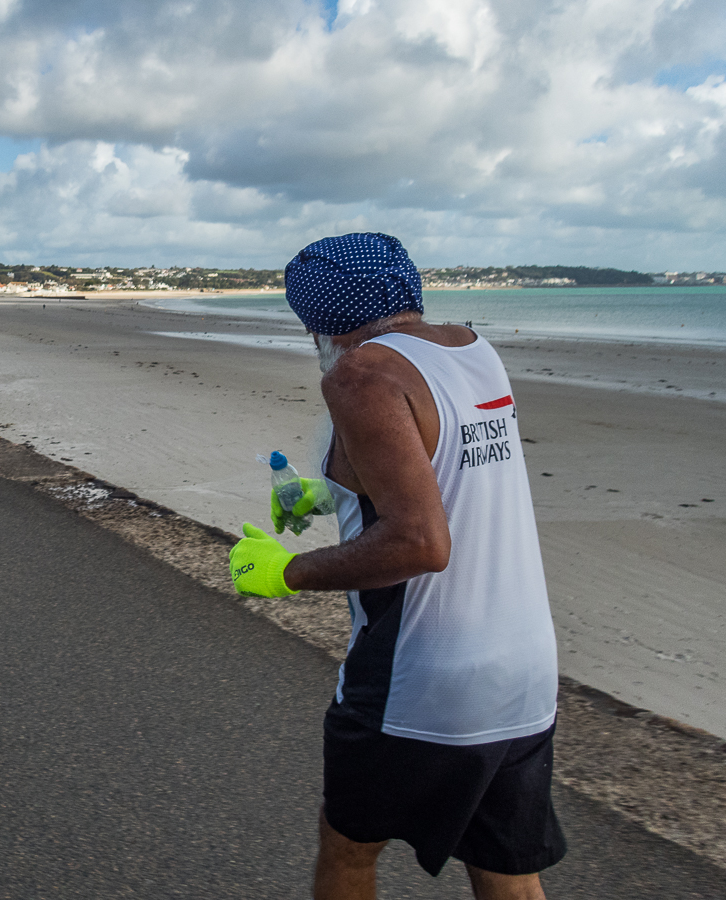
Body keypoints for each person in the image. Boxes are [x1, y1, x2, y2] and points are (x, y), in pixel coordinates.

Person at [229, 233, 565, 899]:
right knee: (503, 864)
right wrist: (331, 494)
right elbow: (449, 475)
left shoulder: (357, 376)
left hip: (424, 672)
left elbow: (420, 543)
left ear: (315, 320)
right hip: (524, 668)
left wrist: (283, 571)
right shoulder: (471, 350)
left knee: (349, 844)